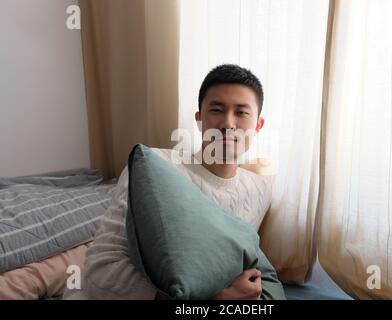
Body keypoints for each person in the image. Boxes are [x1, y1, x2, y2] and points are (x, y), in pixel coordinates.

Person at [64, 64, 274, 300]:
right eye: (216, 109)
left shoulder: (260, 190)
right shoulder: (153, 166)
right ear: (199, 120)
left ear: (258, 125)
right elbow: (101, 271)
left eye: (241, 112)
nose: (228, 123)